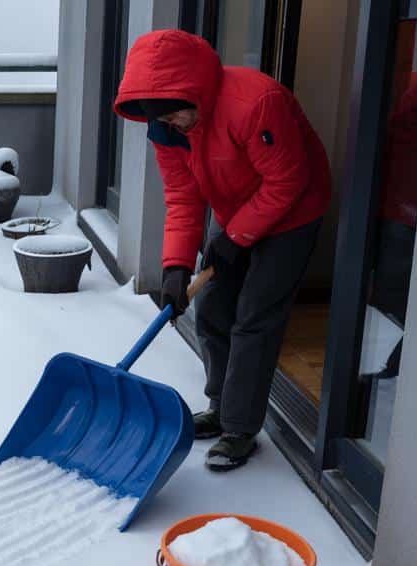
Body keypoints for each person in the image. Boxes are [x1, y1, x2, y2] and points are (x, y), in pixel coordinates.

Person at [113, 30, 332, 471]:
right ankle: (220, 405)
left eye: (177, 113)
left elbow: (287, 182)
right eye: (164, 119)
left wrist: (235, 239)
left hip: (293, 212)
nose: (173, 123)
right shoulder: (168, 129)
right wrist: (175, 266)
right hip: (235, 210)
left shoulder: (255, 103)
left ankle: (239, 427)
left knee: (255, 317)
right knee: (211, 306)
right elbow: (182, 197)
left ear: (194, 90)